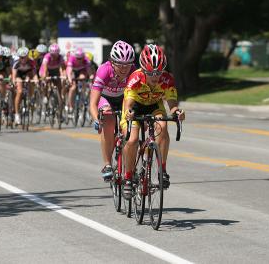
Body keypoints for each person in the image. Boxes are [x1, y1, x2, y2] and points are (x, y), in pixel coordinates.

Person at [121, 44, 185, 199]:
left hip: (154, 106)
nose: (155, 77)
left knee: (163, 126)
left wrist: (177, 112)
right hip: (135, 107)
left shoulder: (167, 79)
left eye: (158, 72)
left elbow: (171, 103)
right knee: (132, 139)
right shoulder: (135, 78)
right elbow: (128, 103)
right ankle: (128, 177)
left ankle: (162, 170)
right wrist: (129, 113)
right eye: (150, 73)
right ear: (143, 70)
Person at [90, 40, 135, 180]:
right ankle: (107, 164)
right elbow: (93, 103)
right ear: (112, 62)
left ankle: (129, 168)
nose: (124, 69)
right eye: (120, 65)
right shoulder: (104, 70)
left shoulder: (133, 71)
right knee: (108, 118)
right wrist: (97, 119)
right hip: (105, 99)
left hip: (123, 99)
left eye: (127, 65)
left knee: (131, 129)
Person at [66, 47, 95, 118]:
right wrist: (70, 80)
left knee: (84, 78)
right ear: (75, 56)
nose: (79, 60)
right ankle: (70, 106)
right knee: (73, 87)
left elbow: (89, 71)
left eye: (80, 58)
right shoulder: (72, 58)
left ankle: (82, 96)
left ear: (83, 57)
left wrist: (91, 78)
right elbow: (69, 71)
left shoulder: (86, 59)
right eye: (77, 58)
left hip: (81, 71)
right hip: (73, 71)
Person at [12, 47, 37, 125]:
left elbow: (34, 74)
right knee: (19, 91)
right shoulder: (16, 63)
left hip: (27, 74)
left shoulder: (31, 62)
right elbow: (14, 76)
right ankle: (17, 115)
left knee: (30, 82)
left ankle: (30, 98)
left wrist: (36, 80)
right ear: (19, 57)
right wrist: (14, 81)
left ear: (27, 56)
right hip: (19, 75)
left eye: (24, 57)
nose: (23, 59)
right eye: (21, 57)